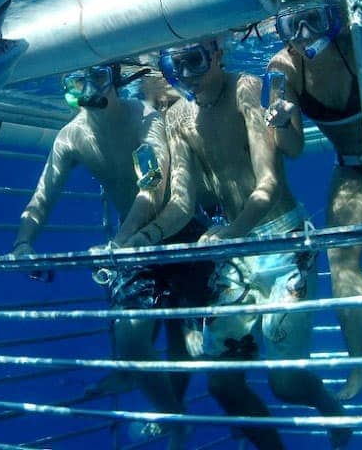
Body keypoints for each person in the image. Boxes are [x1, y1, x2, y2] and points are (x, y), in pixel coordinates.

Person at [142, 38, 349, 450]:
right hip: (236, 253)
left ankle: (329, 406)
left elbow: (268, 183)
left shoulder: (246, 88)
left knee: (286, 383)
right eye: (174, 67)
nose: (187, 76)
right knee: (221, 383)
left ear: (218, 52)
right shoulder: (178, 117)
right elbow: (181, 201)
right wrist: (140, 238)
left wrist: (230, 232)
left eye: (195, 61)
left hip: (284, 241)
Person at [11, 63, 208, 449]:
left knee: (181, 340)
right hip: (129, 244)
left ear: (115, 79)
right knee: (133, 342)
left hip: (176, 230)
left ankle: (173, 410)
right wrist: (23, 242)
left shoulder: (144, 119)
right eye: (75, 80)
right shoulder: (70, 137)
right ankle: (177, 421)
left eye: (97, 77)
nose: (87, 89)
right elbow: (43, 194)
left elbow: (152, 185)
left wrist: (119, 243)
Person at [264, 0, 362, 401]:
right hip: (347, 165)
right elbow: (291, 148)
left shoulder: (360, 44)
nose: (304, 33)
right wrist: (282, 120)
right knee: (341, 260)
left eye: (314, 19)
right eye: (293, 24)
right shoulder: (283, 67)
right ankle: (360, 369)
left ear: (336, 18)